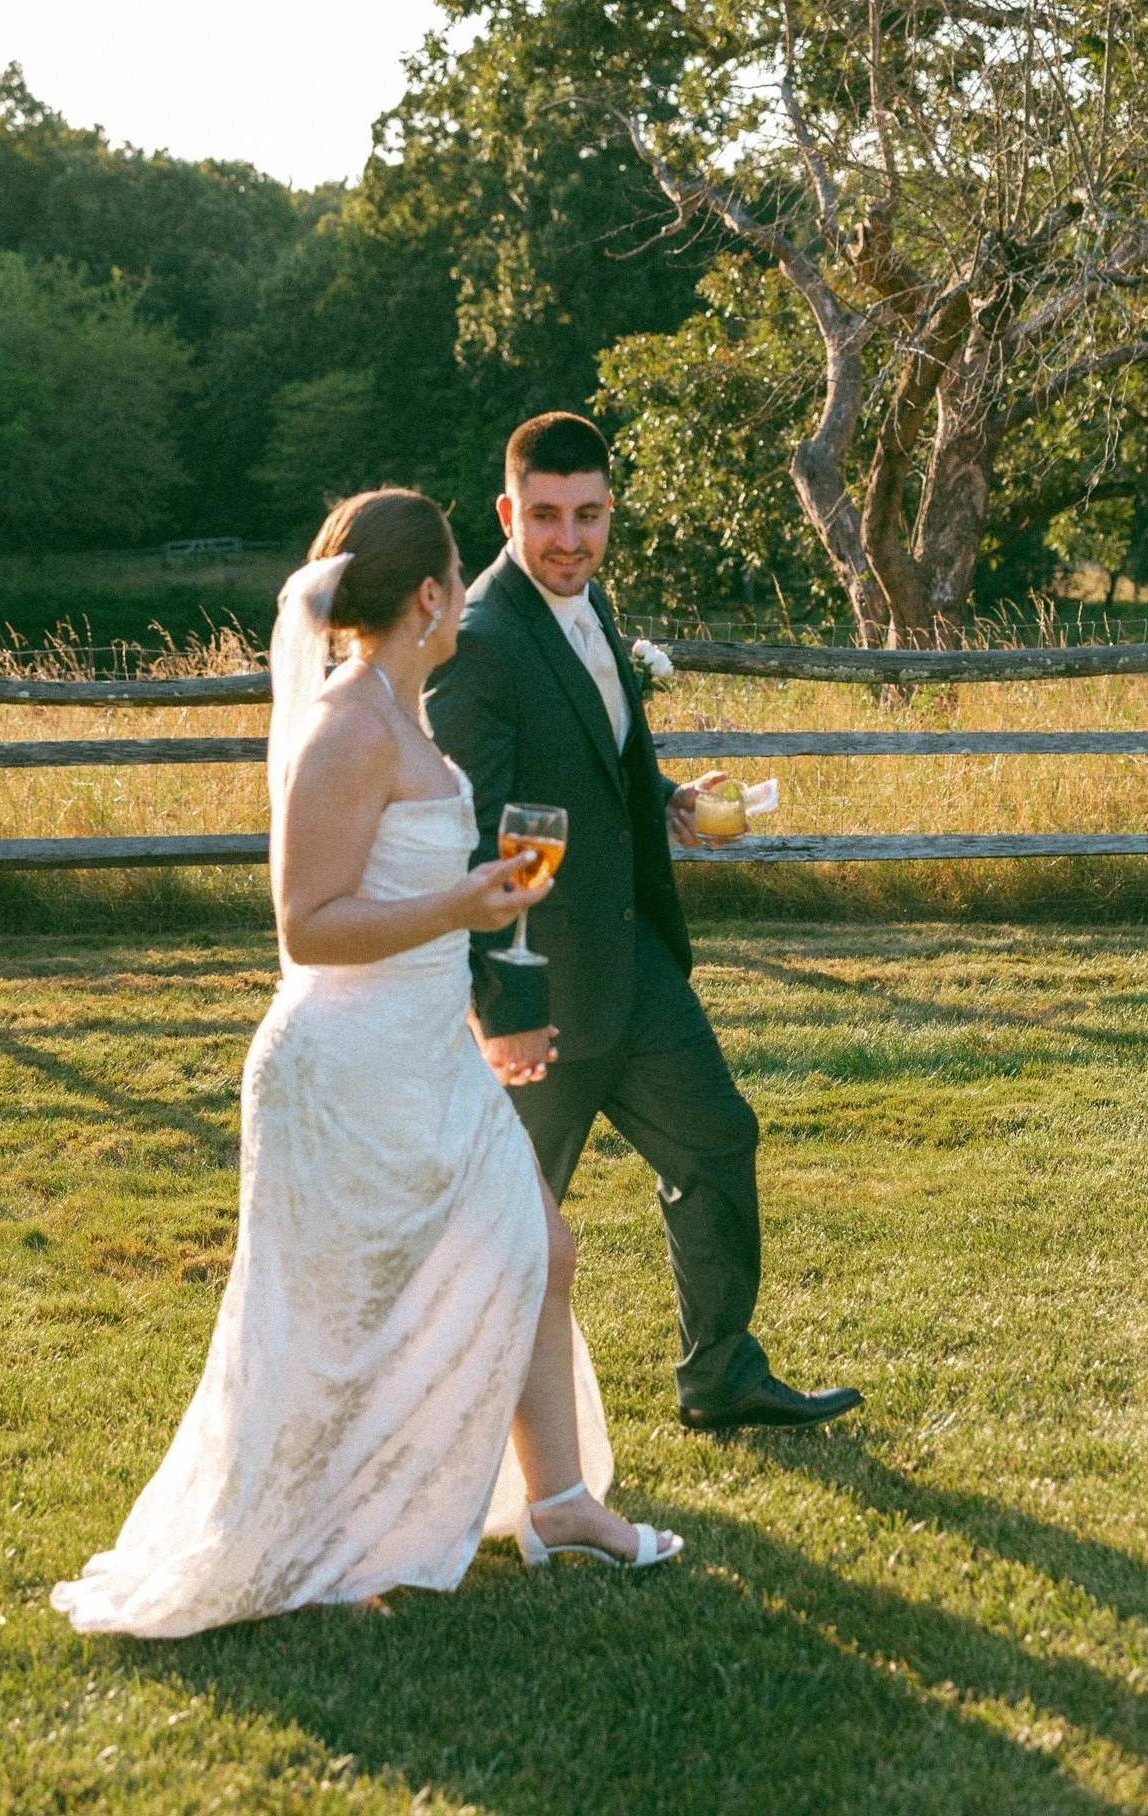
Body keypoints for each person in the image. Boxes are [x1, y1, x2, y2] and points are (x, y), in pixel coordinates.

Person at [50, 489, 680, 1640]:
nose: (469, 596)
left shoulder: (405, 712)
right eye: (459, 575)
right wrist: (461, 899)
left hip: (426, 1048)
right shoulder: (347, 726)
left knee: (540, 1245)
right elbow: (307, 927)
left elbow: (392, 885)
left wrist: (479, 910)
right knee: (340, 1315)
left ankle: (559, 1504)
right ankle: (345, 1532)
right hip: (346, 1068)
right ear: (432, 597)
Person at [423, 415, 863, 1431]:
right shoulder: (481, 642)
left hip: (634, 963)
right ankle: (441, 1429)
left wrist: (665, 799)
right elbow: (478, 835)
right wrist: (509, 1004)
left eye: (587, 516)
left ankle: (721, 1376)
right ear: (507, 513)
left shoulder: (590, 604)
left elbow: (595, 764)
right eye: (545, 517)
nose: (569, 539)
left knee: (717, 1139)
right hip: (544, 991)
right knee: (506, 1219)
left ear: (610, 512)